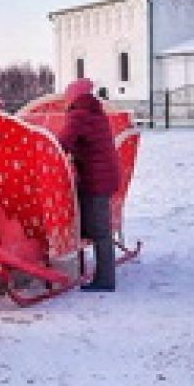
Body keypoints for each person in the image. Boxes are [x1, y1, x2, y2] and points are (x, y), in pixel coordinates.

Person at [57, 78, 120, 292]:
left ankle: (105, 280)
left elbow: (62, 143)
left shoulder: (79, 115)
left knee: (101, 232)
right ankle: (101, 273)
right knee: (96, 227)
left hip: (97, 179)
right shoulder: (95, 112)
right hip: (103, 175)